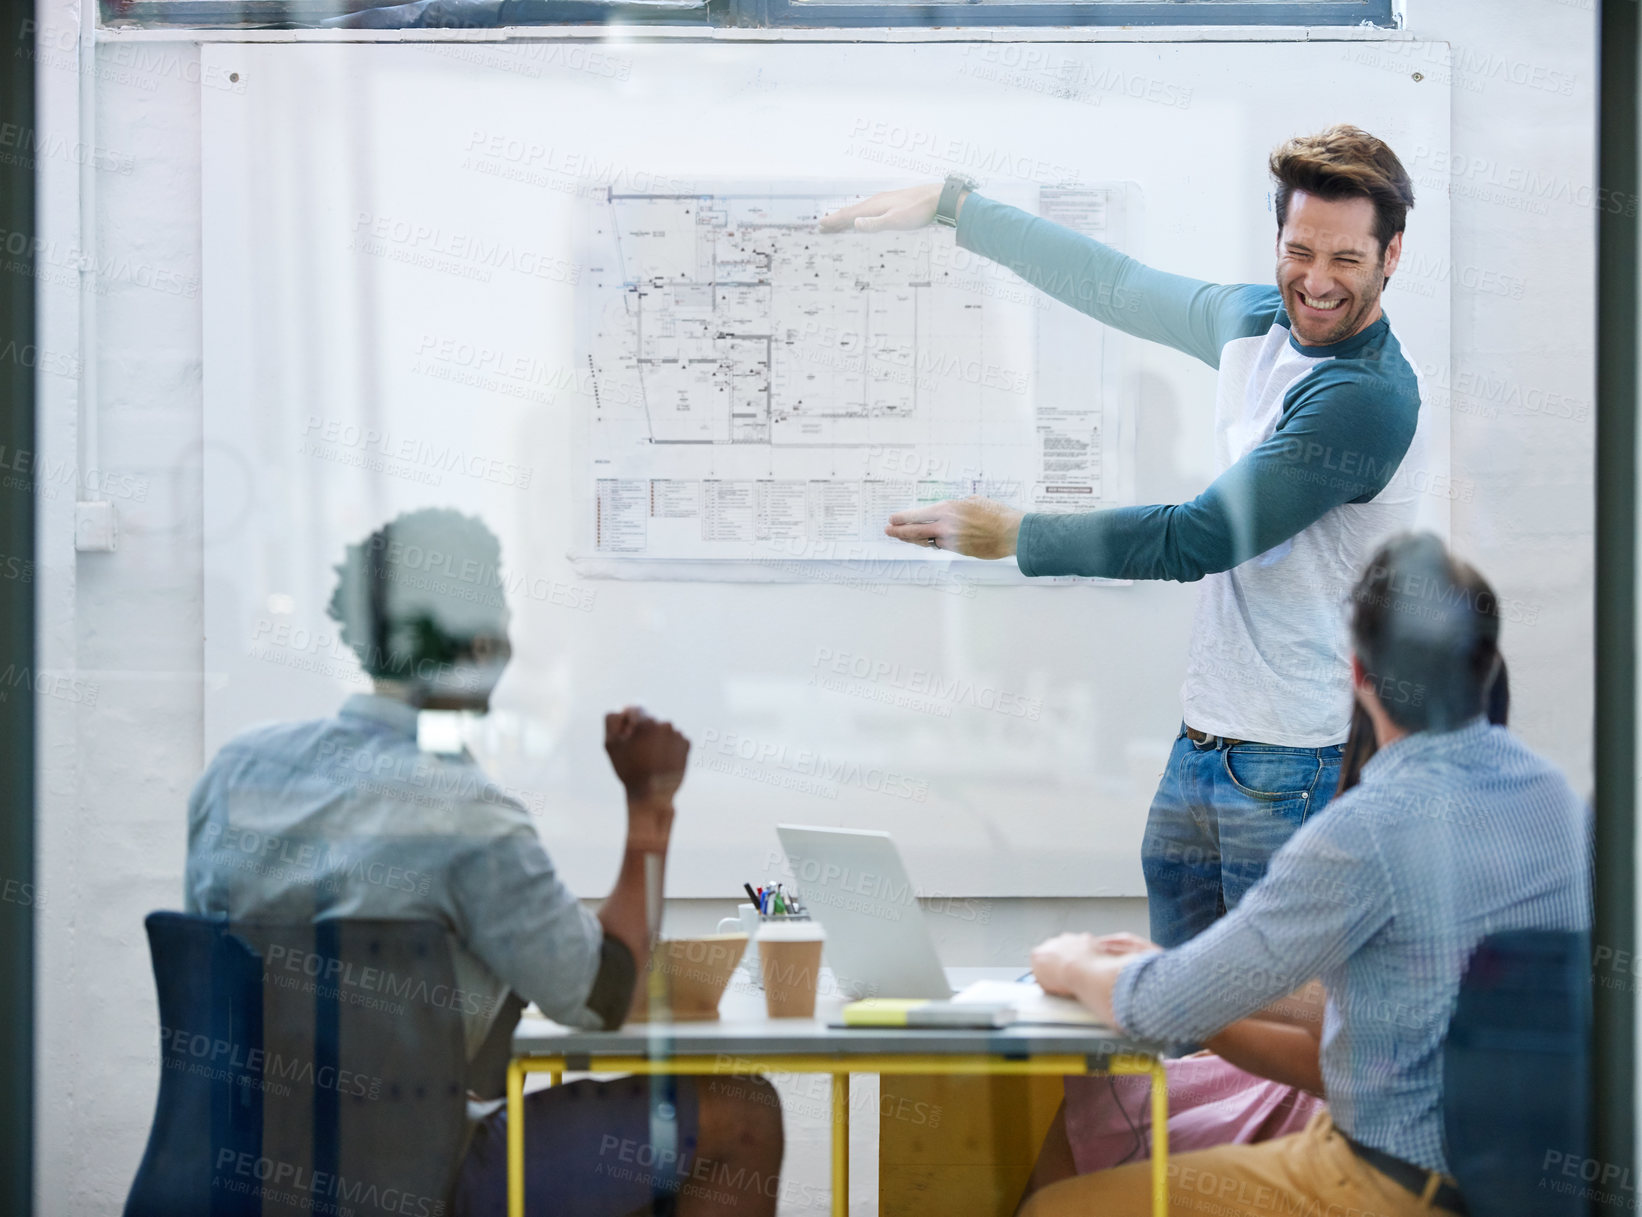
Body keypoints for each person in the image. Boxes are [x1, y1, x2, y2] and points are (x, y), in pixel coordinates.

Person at [822, 126, 1429, 947]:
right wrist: (957, 207)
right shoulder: (1255, 324)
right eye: (1299, 251)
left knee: (1268, 1039)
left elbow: (1202, 537)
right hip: (1206, 741)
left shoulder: (1367, 397)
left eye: (1347, 260)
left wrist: (1016, 535)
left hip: (1297, 765)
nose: (1316, 282)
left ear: (1391, 256)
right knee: (1176, 1028)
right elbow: (1113, 284)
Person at [185, 507, 784, 1217]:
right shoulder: (468, 813)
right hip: (422, 1179)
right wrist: (649, 806)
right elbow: (605, 997)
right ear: (482, 641)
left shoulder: (236, 772)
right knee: (742, 1109)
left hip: (236, 1170)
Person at [1015, 534, 1588, 1216]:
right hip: (1510, 1175)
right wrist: (1197, 982)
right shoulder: (1556, 798)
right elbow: (1390, 1013)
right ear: (1487, 662)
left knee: (1057, 1205)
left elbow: (1161, 1009)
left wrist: (1071, 961)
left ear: (1356, 672)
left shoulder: (1366, 828)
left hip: (1394, 1182)